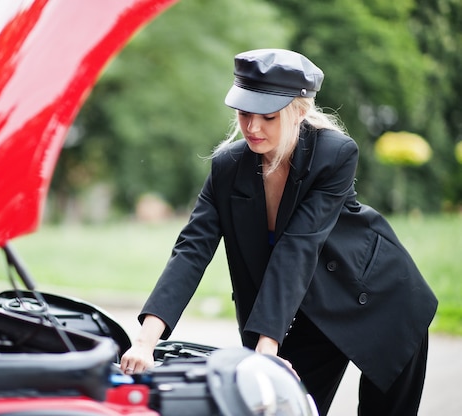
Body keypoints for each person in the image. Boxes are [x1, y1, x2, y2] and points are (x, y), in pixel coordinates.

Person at [120, 48, 438, 416]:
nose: (253, 128)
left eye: (268, 117)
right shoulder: (227, 168)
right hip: (295, 316)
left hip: (380, 301)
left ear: (299, 111)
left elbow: (298, 247)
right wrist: (144, 343)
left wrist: (265, 353)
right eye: (244, 114)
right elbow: (191, 250)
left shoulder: (334, 154)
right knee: (273, 408)